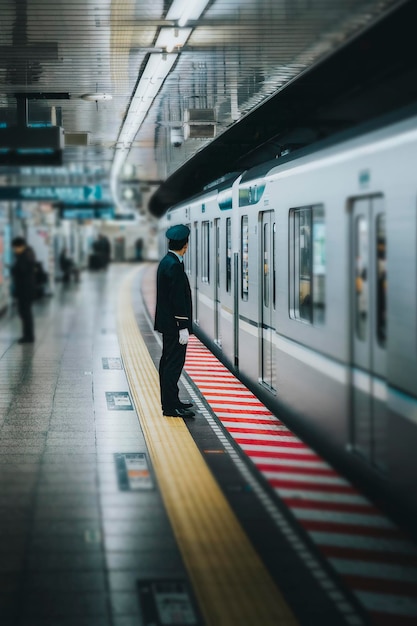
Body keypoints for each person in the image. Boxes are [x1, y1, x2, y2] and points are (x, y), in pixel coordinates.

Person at [154, 224, 195, 417]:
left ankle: (172, 400)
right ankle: (170, 407)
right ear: (185, 245)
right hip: (174, 326)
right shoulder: (174, 266)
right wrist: (182, 327)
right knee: (173, 365)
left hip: (168, 325)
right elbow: (177, 299)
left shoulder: (167, 261)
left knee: (168, 363)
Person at [11, 236, 36, 344]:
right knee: (25, 313)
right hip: (26, 289)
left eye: (15, 248)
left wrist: (13, 269)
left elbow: (21, 270)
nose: (14, 250)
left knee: (25, 313)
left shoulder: (24, 256)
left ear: (20, 246)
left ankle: (28, 336)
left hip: (25, 289)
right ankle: (27, 335)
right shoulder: (28, 254)